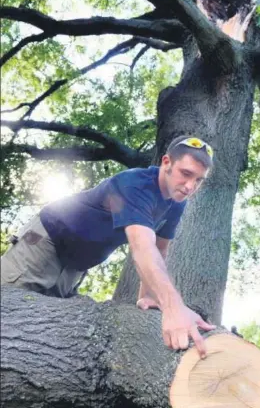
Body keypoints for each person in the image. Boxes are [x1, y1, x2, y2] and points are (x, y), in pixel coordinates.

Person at [1, 135, 215, 357]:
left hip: (76, 266)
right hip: (46, 241)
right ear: (167, 162)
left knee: (33, 334)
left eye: (199, 180)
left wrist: (150, 295)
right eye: (186, 173)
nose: (190, 186)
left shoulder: (176, 204)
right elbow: (142, 247)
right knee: (7, 307)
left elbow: (160, 249)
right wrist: (173, 308)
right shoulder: (135, 184)